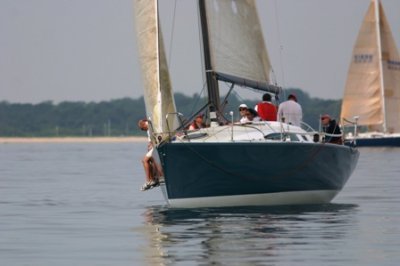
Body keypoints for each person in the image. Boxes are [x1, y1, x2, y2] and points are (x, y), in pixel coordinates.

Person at [137, 119, 161, 191]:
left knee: (144, 160)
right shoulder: (149, 129)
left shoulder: (150, 127)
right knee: (150, 160)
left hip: (157, 146)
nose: (142, 130)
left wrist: (151, 145)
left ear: (144, 125)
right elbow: (151, 141)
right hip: (154, 147)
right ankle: (154, 178)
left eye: (142, 128)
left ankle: (148, 181)